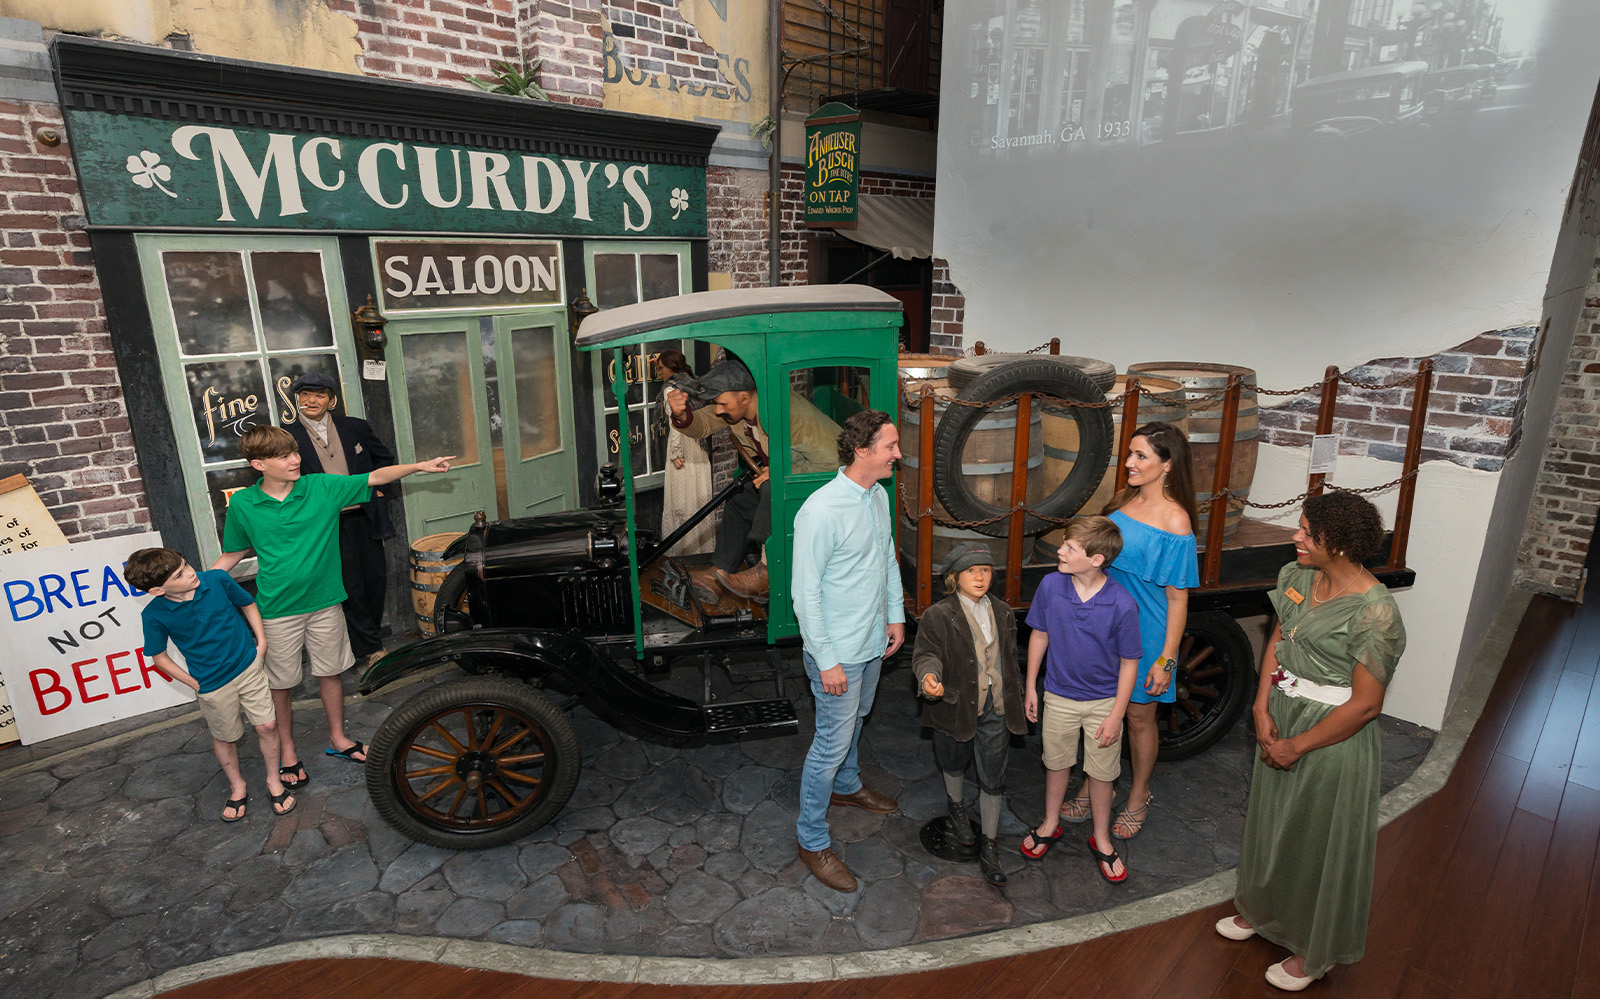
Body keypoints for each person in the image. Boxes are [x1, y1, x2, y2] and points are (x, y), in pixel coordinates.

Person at [1216, 491, 1406, 991]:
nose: (1295, 537)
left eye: (1306, 531)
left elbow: (1366, 704)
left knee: (1317, 839)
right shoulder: (1297, 576)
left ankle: (1312, 949)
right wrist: (1260, 706)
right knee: (1272, 821)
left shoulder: (1376, 612)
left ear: (1339, 543)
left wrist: (1298, 746)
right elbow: (1278, 639)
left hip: (1333, 734)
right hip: (1281, 711)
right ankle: (1262, 911)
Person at [213, 425, 452, 790]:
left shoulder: (320, 487)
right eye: (284, 456)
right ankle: (288, 751)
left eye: (295, 452)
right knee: (281, 685)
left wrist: (419, 466)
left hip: (326, 603)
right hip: (276, 611)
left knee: (331, 672)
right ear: (258, 464)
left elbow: (373, 476)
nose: (296, 459)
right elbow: (233, 553)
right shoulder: (244, 504)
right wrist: (201, 585)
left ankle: (338, 739)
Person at [1064, 421, 1198, 839]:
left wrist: (1167, 659)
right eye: (1130, 454)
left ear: (1168, 464)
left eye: (1141, 456)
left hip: (1147, 632)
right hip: (1105, 626)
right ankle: (1094, 783)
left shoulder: (1176, 521)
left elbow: (1178, 599)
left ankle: (1139, 793)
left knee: (1140, 717)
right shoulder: (1123, 501)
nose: (1129, 463)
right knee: (1102, 711)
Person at [791, 408, 906, 892]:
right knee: (829, 745)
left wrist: (896, 615)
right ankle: (811, 839)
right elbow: (805, 594)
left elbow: (886, 559)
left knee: (857, 720)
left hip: (872, 642)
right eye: (890, 447)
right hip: (836, 652)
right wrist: (827, 659)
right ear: (862, 451)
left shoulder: (877, 495)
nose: (898, 454)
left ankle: (847, 787)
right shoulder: (820, 510)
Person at [124, 547, 293, 821]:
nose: (190, 572)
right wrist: (194, 682)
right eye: (179, 574)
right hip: (211, 683)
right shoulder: (154, 615)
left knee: (268, 725)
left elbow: (247, 603)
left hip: (247, 665)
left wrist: (261, 644)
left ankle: (274, 780)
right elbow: (159, 657)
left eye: (186, 564)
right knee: (226, 736)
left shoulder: (216, 579)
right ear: (157, 591)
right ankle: (238, 786)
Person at [1019, 516, 1142, 883]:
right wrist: (1030, 687)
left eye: (1070, 547)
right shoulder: (1050, 586)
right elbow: (1039, 635)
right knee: (1056, 763)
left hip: (1105, 703)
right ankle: (1050, 822)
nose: (1060, 550)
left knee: (1102, 775)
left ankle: (1102, 838)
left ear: (1096, 559)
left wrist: (1116, 715)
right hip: (1058, 695)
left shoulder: (1122, 603)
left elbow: (1129, 663)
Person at [666, 356, 840, 603]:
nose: (718, 410)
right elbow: (703, 423)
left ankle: (768, 573)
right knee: (740, 497)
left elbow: (832, 463)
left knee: (771, 486)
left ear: (745, 397)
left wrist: (781, 473)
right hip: (795, 485)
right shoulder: (737, 406)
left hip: (826, 488)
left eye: (721, 403)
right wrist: (681, 415)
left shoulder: (791, 413)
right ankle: (719, 572)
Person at [912, 540, 1023, 887]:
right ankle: (956, 808)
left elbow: (1007, 660)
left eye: (986, 570)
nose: (980, 577)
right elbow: (926, 654)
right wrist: (929, 676)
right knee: (953, 761)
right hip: (956, 705)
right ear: (954, 577)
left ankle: (989, 845)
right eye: (971, 571)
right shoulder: (938, 615)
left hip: (997, 706)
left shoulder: (1003, 612)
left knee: (993, 775)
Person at [281, 371, 397, 669]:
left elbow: (384, 458)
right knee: (350, 585)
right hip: (326, 524)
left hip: (366, 515)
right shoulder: (286, 436)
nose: (311, 400)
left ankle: (364, 639)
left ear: (331, 400)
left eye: (319, 395)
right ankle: (371, 648)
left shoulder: (354, 427)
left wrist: (380, 489)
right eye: (305, 395)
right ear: (298, 399)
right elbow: (283, 478)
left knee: (375, 578)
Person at [653, 350, 717, 557]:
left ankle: (681, 553)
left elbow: (676, 425)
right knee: (698, 499)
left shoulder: (671, 389)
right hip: (698, 445)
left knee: (682, 502)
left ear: (671, 367)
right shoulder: (693, 383)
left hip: (683, 448)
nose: (660, 372)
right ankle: (702, 550)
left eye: (661, 368)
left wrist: (675, 452)